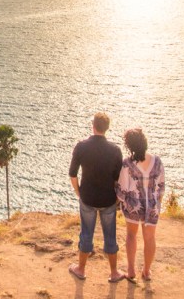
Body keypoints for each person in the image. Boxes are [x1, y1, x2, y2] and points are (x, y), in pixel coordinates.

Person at [68, 111, 124, 282]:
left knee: (86, 233)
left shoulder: (81, 146)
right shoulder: (115, 150)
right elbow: (118, 179)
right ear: (106, 128)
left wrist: (79, 192)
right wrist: (116, 199)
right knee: (110, 235)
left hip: (88, 198)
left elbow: (72, 174)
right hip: (108, 199)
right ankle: (114, 273)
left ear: (93, 126)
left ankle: (81, 269)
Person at [115, 128, 165, 282]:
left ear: (129, 146)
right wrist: (157, 203)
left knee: (131, 235)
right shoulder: (157, 161)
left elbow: (122, 189)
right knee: (150, 238)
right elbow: (161, 186)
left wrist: (119, 199)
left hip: (133, 205)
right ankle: (147, 271)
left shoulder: (127, 164)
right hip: (152, 205)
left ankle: (130, 270)